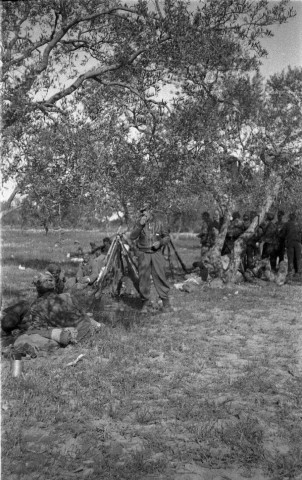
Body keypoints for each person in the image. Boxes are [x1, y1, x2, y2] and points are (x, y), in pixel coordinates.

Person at [130, 202, 172, 313]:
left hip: (156, 253)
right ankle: (145, 304)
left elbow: (167, 237)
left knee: (160, 276)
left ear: (150, 210)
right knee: (143, 279)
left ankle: (166, 304)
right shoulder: (139, 222)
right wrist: (139, 225)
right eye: (142, 212)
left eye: (145, 211)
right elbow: (132, 236)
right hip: (143, 253)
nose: (144, 213)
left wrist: (160, 243)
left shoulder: (160, 222)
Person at [284, 213, 302, 279]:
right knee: (298, 258)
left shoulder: (287, 224)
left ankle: (290, 272)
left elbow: (283, 234)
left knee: (290, 258)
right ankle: (299, 272)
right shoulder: (299, 225)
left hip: (290, 242)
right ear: (295, 217)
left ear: (290, 217)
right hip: (298, 243)